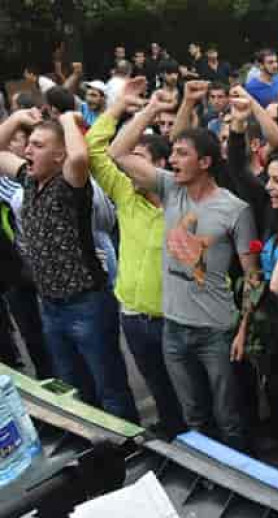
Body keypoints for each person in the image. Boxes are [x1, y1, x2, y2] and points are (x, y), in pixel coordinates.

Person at [112, 89, 259, 452]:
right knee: (194, 415)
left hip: (216, 332)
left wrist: (244, 329)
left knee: (229, 416)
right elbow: (118, 153)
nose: (172, 160)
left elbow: (252, 277)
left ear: (205, 162)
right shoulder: (169, 188)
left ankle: (241, 475)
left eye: (181, 153)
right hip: (174, 329)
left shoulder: (235, 209)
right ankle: (206, 474)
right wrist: (151, 108)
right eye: (172, 153)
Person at [0, 108, 138, 422]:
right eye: (28, 144)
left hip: (87, 304)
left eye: (38, 145)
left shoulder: (70, 184)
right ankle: (95, 444)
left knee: (110, 388)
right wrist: (18, 117)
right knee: (74, 388)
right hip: (51, 306)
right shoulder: (28, 180)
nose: (27, 150)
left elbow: (79, 157)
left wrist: (65, 119)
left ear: (58, 156)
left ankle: (128, 445)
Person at [86, 77, 186, 438]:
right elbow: (95, 151)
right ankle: (171, 436)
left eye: (138, 161)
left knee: (190, 395)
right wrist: (125, 107)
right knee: (158, 388)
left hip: (174, 321)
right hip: (132, 316)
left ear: (161, 166)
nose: (128, 168)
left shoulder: (184, 203)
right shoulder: (125, 193)